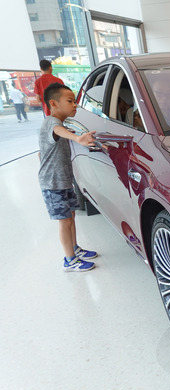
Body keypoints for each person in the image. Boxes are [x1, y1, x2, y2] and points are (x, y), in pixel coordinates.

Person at [38, 83, 98, 271]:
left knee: (71, 216)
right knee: (64, 221)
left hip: (62, 180)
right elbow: (58, 131)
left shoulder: (58, 122)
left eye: (75, 101)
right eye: (70, 101)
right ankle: (69, 260)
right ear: (53, 103)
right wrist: (77, 138)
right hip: (53, 183)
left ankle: (74, 248)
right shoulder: (52, 123)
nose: (75, 105)